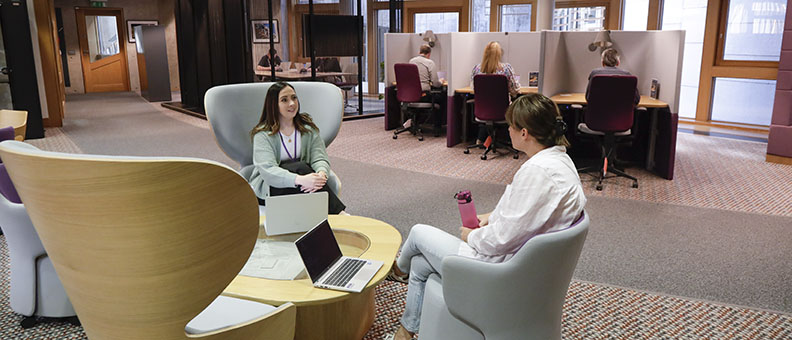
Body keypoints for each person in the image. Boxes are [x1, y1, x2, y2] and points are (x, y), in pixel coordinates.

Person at [386, 93, 587, 340]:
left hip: (498, 271)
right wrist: (494, 215)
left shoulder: (536, 173)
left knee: (417, 233)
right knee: (420, 264)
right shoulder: (560, 162)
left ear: (524, 133)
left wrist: (472, 236)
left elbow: (500, 240)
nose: (508, 131)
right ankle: (406, 331)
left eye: (511, 127)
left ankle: (397, 271)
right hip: (526, 266)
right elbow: (535, 211)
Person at [249, 82, 347, 214]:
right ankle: (339, 214)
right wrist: (301, 180)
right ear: (273, 105)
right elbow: (268, 171)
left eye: (294, 98)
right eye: (284, 100)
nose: (292, 103)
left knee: (304, 170)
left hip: (302, 186)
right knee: (301, 167)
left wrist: (320, 175)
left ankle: (332, 217)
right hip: (270, 188)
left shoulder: (308, 129)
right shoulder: (262, 135)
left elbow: (320, 158)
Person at [470, 41, 522, 144]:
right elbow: (514, 90)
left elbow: (473, 89)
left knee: (489, 106)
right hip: (503, 111)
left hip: (482, 110)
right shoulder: (506, 68)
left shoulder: (476, 69)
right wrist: (518, 88)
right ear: (499, 54)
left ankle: (480, 139)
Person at [407, 44, 445, 130]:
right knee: (442, 98)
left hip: (411, 95)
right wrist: (441, 81)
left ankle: (415, 123)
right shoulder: (430, 63)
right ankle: (438, 127)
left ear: (419, 52)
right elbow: (435, 83)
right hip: (424, 95)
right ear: (429, 54)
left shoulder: (411, 61)